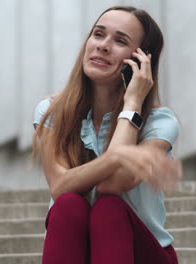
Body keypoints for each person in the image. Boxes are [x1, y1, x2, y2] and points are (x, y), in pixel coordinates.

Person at [33, 5, 182, 264]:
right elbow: (60, 186)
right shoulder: (52, 112)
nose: (103, 45)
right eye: (98, 34)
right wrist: (118, 157)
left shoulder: (160, 122)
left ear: (141, 61)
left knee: (109, 209)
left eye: (120, 40)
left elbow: (110, 186)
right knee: (68, 204)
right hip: (76, 252)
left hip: (143, 255)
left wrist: (133, 105)